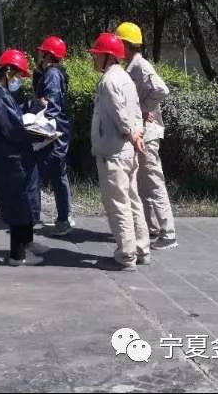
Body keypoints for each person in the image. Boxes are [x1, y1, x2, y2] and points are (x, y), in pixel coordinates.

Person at [0, 49, 50, 266]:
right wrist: (40, 134)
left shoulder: (1, 94)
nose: (19, 80)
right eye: (18, 75)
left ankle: (27, 244)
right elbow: (13, 129)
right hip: (10, 160)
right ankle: (17, 255)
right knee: (18, 205)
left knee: (25, 201)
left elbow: (14, 116)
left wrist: (32, 107)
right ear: (8, 72)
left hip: (15, 158)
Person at [89, 31, 150, 271]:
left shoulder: (109, 82)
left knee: (118, 204)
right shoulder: (125, 78)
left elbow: (120, 115)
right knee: (133, 201)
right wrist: (137, 134)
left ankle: (126, 255)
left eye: (97, 55)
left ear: (108, 56)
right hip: (126, 152)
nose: (94, 59)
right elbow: (136, 113)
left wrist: (132, 133)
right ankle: (142, 249)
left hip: (113, 153)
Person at [116, 22, 177, 250]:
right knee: (143, 183)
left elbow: (161, 90)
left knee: (153, 182)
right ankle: (153, 227)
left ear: (126, 44)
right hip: (142, 133)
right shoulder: (132, 66)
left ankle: (168, 234)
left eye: (119, 43)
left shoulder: (140, 66)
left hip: (148, 135)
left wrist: (142, 108)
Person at [30, 36, 76, 235]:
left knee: (56, 174)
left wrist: (39, 112)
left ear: (48, 54)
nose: (39, 54)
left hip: (53, 132)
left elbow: (52, 105)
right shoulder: (50, 72)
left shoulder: (52, 74)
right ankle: (64, 217)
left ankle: (64, 220)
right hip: (57, 130)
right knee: (58, 174)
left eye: (42, 52)